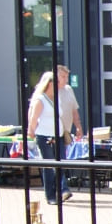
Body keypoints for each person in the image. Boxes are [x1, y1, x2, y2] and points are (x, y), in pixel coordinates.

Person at [27, 66, 82, 205]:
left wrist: (77, 126)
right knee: (49, 165)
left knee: (59, 164)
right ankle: (50, 195)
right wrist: (31, 131)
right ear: (50, 83)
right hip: (44, 135)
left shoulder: (58, 97)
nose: (61, 84)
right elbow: (33, 117)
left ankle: (59, 191)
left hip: (57, 134)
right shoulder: (40, 99)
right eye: (58, 81)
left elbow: (70, 111)